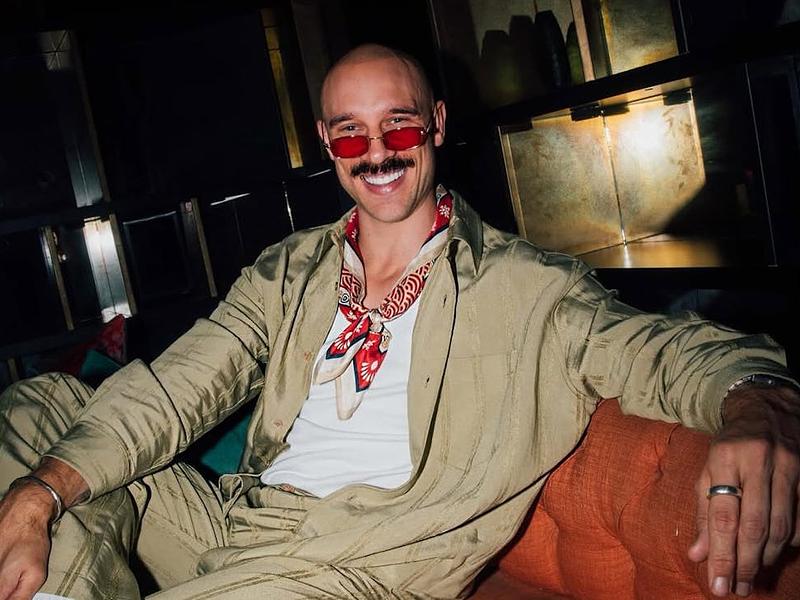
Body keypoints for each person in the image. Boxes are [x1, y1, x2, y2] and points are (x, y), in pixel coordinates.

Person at [1, 43, 799, 600]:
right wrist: (39, 497)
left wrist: (758, 406)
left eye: (402, 124)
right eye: (351, 131)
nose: (377, 151)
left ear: (439, 125)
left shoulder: (530, 289)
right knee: (43, 412)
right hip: (242, 521)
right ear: (326, 142)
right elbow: (177, 391)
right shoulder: (290, 271)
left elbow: (666, 352)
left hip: (360, 564)